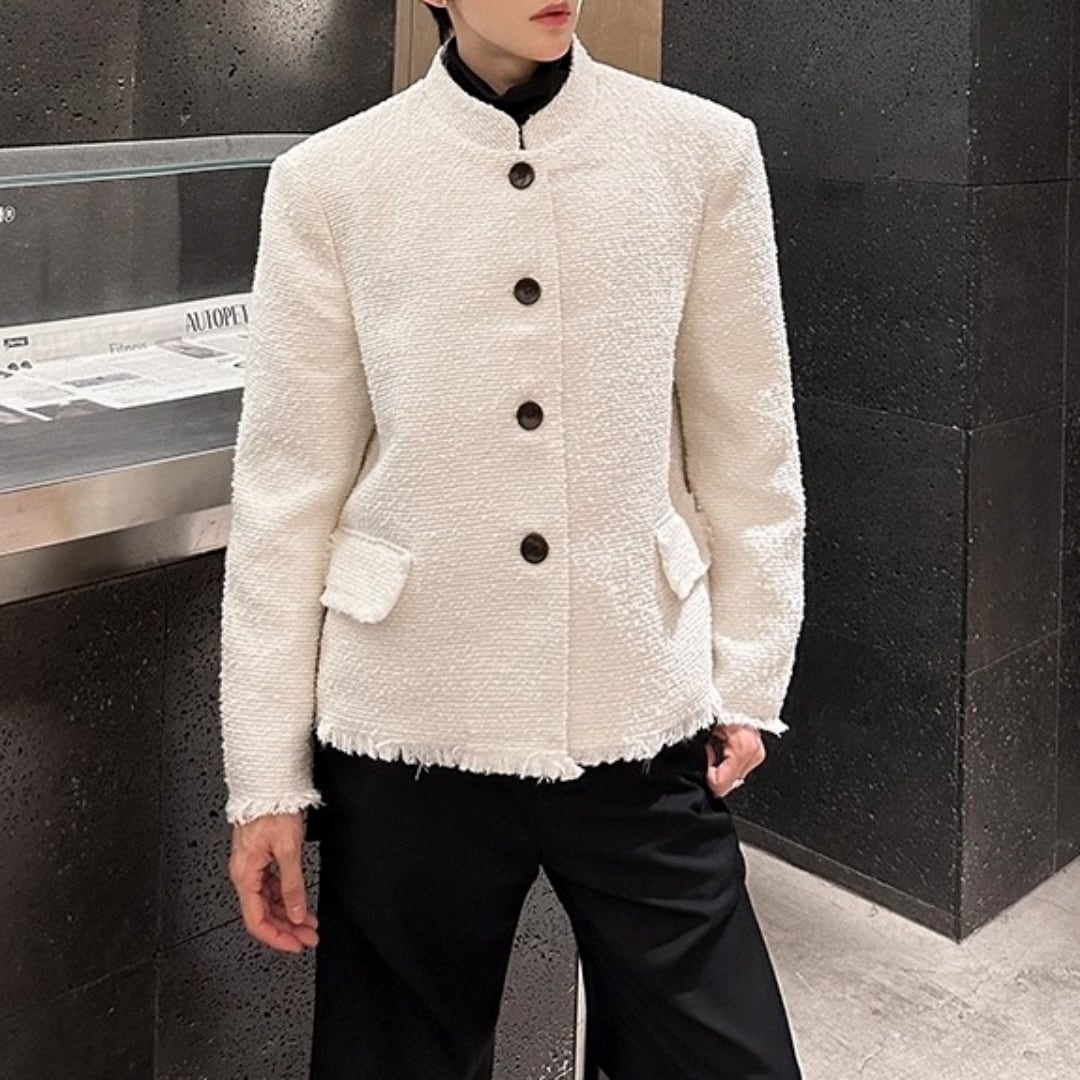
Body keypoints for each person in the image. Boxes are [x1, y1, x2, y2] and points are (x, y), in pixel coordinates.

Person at [219, 1, 807, 1077]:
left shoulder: (701, 151)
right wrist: (266, 778)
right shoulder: (332, 180)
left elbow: (749, 445)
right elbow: (286, 493)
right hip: (408, 724)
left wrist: (749, 673)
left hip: (638, 708)